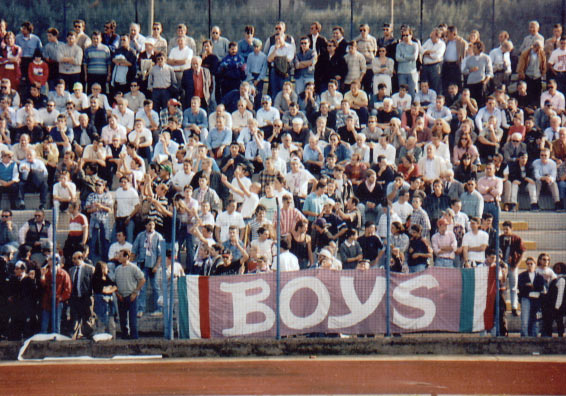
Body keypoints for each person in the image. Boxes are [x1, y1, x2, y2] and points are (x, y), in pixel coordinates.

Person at [131, 219, 163, 317]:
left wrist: (157, 266)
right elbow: (134, 250)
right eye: (149, 224)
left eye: (153, 224)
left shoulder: (158, 237)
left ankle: (159, 309)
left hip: (154, 265)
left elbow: (161, 254)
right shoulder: (140, 236)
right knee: (142, 287)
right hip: (142, 264)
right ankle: (141, 309)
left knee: (156, 287)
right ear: (146, 226)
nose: (151, 226)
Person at [115, 250, 145, 339]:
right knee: (122, 320)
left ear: (126, 257)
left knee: (132, 320)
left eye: (121, 256)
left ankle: (134, 339)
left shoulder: (133, 268)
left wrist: (135, 292)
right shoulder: (117, 269)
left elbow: (142, 279)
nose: (119, 257)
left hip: (131, 296)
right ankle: (124, 337)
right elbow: (114, 282)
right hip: (121, 297)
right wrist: (117, 294)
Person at [39, 254, 71, 334]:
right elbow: (43, 286)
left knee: (56, 322)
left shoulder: (63, 274)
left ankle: (56, 338)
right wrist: (42, 276)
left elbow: (68, 288)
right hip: (47, 301)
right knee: (44, 323)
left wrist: (61, 297)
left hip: (57, 301)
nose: (48, 261)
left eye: (50, 259)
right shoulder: (46, 273)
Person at [68, 251, 94, 338]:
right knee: (74, 318)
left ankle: (88, 335)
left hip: (86, 298)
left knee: (87, 318)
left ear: (81, 258)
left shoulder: (90, 269)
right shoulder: (71, 270)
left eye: (75, 259)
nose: (73, 261)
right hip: (75, 299)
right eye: (72, 259)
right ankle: (75, 335)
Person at [518, 256, 546, 337]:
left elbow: (540, 288)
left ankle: (534, 338)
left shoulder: (539, 276)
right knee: (525, 320)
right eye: (528, 264)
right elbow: (521, 288)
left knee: (535, 320)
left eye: (531, 264)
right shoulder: (522, 275)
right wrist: (530, 288)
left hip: (536, 300)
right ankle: (524, 337)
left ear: (535, 264)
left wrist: (530, 286)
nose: (529, 265)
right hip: (525, 299)